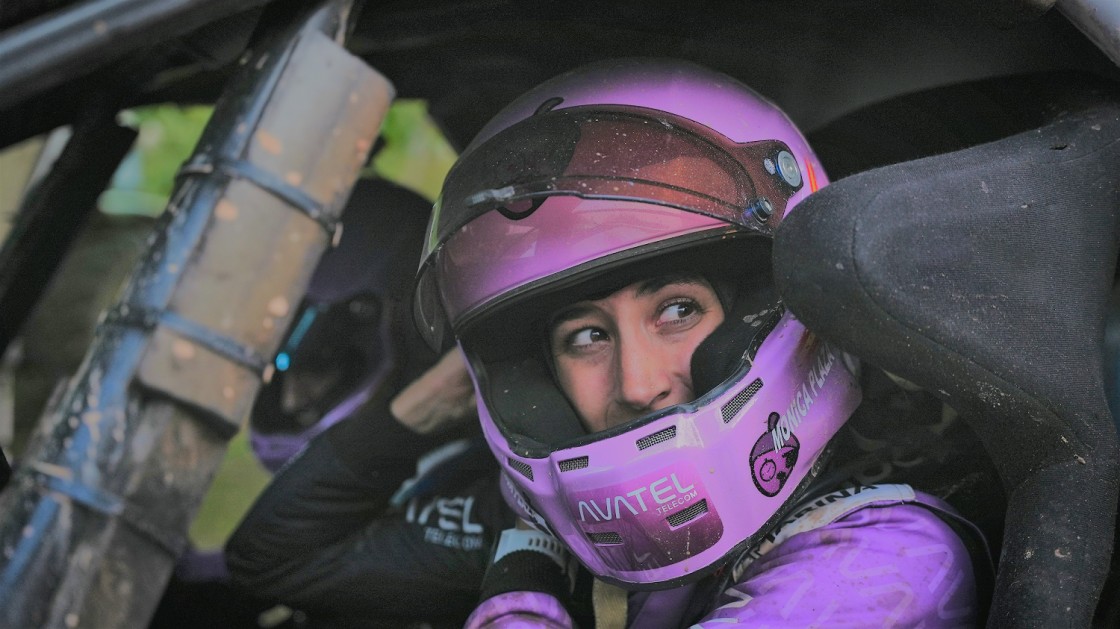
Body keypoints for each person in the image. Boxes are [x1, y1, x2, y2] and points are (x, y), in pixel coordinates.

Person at [410, 58, 993, 627]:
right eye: (586, 337)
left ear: (778, 305)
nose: (640, 386)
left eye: (677, 309)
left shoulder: (884, 568)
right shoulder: (601, 547)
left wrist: (521, 585)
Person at [219, 178, 514, 629]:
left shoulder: (489, 482)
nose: (296, 398)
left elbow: (267, 559)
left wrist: (406, 418)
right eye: (280, 362)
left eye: (322, 360)